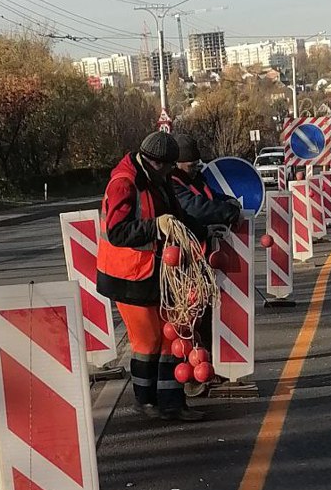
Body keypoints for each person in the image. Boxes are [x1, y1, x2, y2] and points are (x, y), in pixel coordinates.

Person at [96, 131, 206, 422]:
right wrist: (156, 226)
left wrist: (206, 229)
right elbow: (117, 232)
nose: (173, 171)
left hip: (155, 274)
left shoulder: (159, 179)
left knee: (172, 339)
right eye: (170, 166)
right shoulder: (124, 183)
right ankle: (145, 402)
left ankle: (172, 402)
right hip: (129, 276)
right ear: (157, 163)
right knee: (148, 342)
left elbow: (177, 216)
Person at [169, 134, 242, 396]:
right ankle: (191, 373)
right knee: (190, 316)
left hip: (202, 257)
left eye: (199, 163)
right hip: (184, 262)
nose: (198, 168)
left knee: (206, 313)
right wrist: (227, 212)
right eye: (192, 164)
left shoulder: (194, 180)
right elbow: (195, 208)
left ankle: (208, 367)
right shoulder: (174, 185)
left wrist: (229, 203)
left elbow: (211, 198)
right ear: (178, 164)